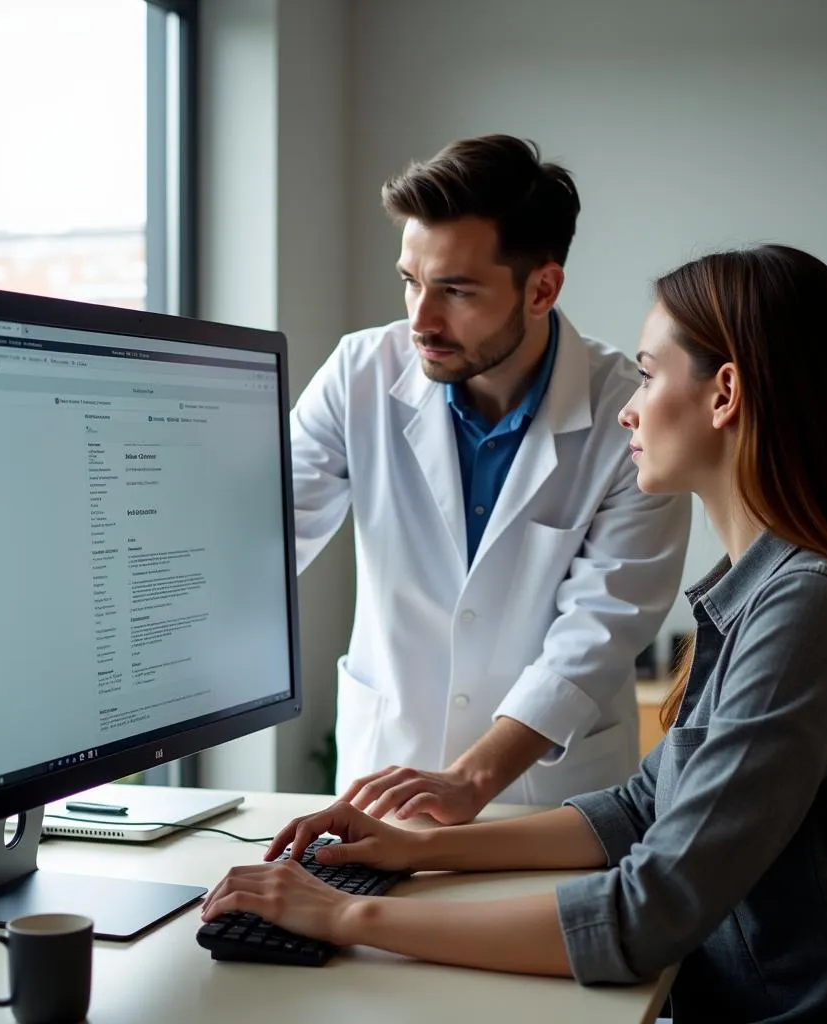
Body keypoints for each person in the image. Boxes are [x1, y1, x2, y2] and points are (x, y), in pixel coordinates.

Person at [206, 245, 827, 1021]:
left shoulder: (806, 610)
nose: (630, 405)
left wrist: (343, 916)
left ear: (725, 394)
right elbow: (638, 810)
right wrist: (412, 849)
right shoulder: (770, 591)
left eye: (651, 376)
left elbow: (647, 912)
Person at [291, 134, 690, 822]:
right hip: (384, 783)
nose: (421, 319)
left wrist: (472, 781)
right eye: (411, 281)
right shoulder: (360, 373)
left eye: (455, 290)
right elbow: (266, 537)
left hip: (545, 802)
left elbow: (599, 630)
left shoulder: (627, 413)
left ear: (542, 288)